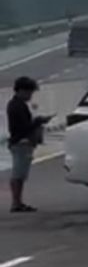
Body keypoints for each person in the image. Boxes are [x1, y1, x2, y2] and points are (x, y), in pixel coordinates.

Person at [7, 77, 51, 213]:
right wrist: (38, 121)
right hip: (21, 142)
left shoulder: (17, 104)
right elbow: (22, 127)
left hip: (20, 142)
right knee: (18, 173)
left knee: (21, 174)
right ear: (21, 90)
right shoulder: (17, 106)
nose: (30, 96)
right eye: (29, 92)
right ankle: (16, 202)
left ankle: (18, 202)